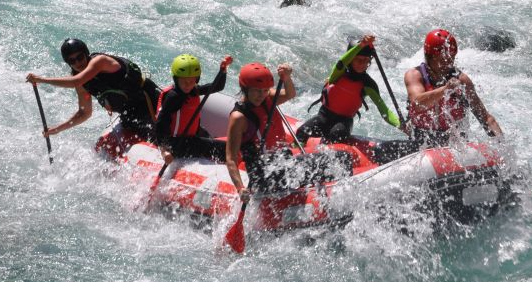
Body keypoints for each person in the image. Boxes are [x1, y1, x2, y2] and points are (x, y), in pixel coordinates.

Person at [225, 62, 352, 202]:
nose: (261, 95)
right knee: (335, 162)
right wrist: (240, 188)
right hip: (264, 175)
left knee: (341, 158)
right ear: (245, 88)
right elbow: (231, 158)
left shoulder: (268, 98)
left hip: (284, 163)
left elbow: (290, 94)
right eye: (256, 90)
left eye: (264, 90)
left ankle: (340, 201)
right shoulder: (239, 117)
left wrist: (286, 78)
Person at [26, 38, 161, 142]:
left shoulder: (100, 62)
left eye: (80, 57)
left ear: (86, 54)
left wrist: (41, 79)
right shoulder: (81, 82)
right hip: (131, 114)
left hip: (152, 104)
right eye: (72, 61)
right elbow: (84, 113)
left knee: (165, 140)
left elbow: (76, 81)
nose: (78, 63)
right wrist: (57, 129)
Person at [404, 29, 502, 146]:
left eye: (452, 58)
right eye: (443, 59)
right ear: (429, 57)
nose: (449, 63)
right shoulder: (414, 75)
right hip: (422, 139)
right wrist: (445, 90)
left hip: (454, 142)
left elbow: (486, 119)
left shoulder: (462, 80)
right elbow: (417, 103)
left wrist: (502, 145)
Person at [296, 34, 401, 143]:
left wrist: (400, 124)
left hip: (343, 122)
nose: (363, 64)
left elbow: (384, 111)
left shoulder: (368, 84)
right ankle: (296, 155)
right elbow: (342, 61)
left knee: (335, 134)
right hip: (323, 117)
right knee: (302, 132)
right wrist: (361, 45)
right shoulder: (337, 74)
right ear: (350, 60)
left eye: (366, 61)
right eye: (359, 60)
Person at [153, 53, 232, 164]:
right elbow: (161, 124)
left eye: (191, 81)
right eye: (184, 81)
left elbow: (217, 86)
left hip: (190, 136)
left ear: (197, 79)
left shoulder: (193, 90)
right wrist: (164, 150)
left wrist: (223, 70)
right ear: (176, 79)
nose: (188, 85)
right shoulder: (173, 97)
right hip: (176, 144)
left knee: (208, 137)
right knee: (226, 149)